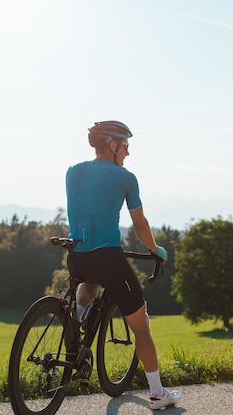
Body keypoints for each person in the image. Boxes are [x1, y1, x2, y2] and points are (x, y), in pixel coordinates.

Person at [65, 120, 181, 410]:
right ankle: (157, 394)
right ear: (114, 145)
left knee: (87, 285)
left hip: (77, 254)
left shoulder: (72, 172)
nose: (128, 153)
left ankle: (75, 328)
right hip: (108, 257)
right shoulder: (125, 177)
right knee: (141, 325)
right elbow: (139, 225)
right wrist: (157, 250)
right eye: (126, 146)